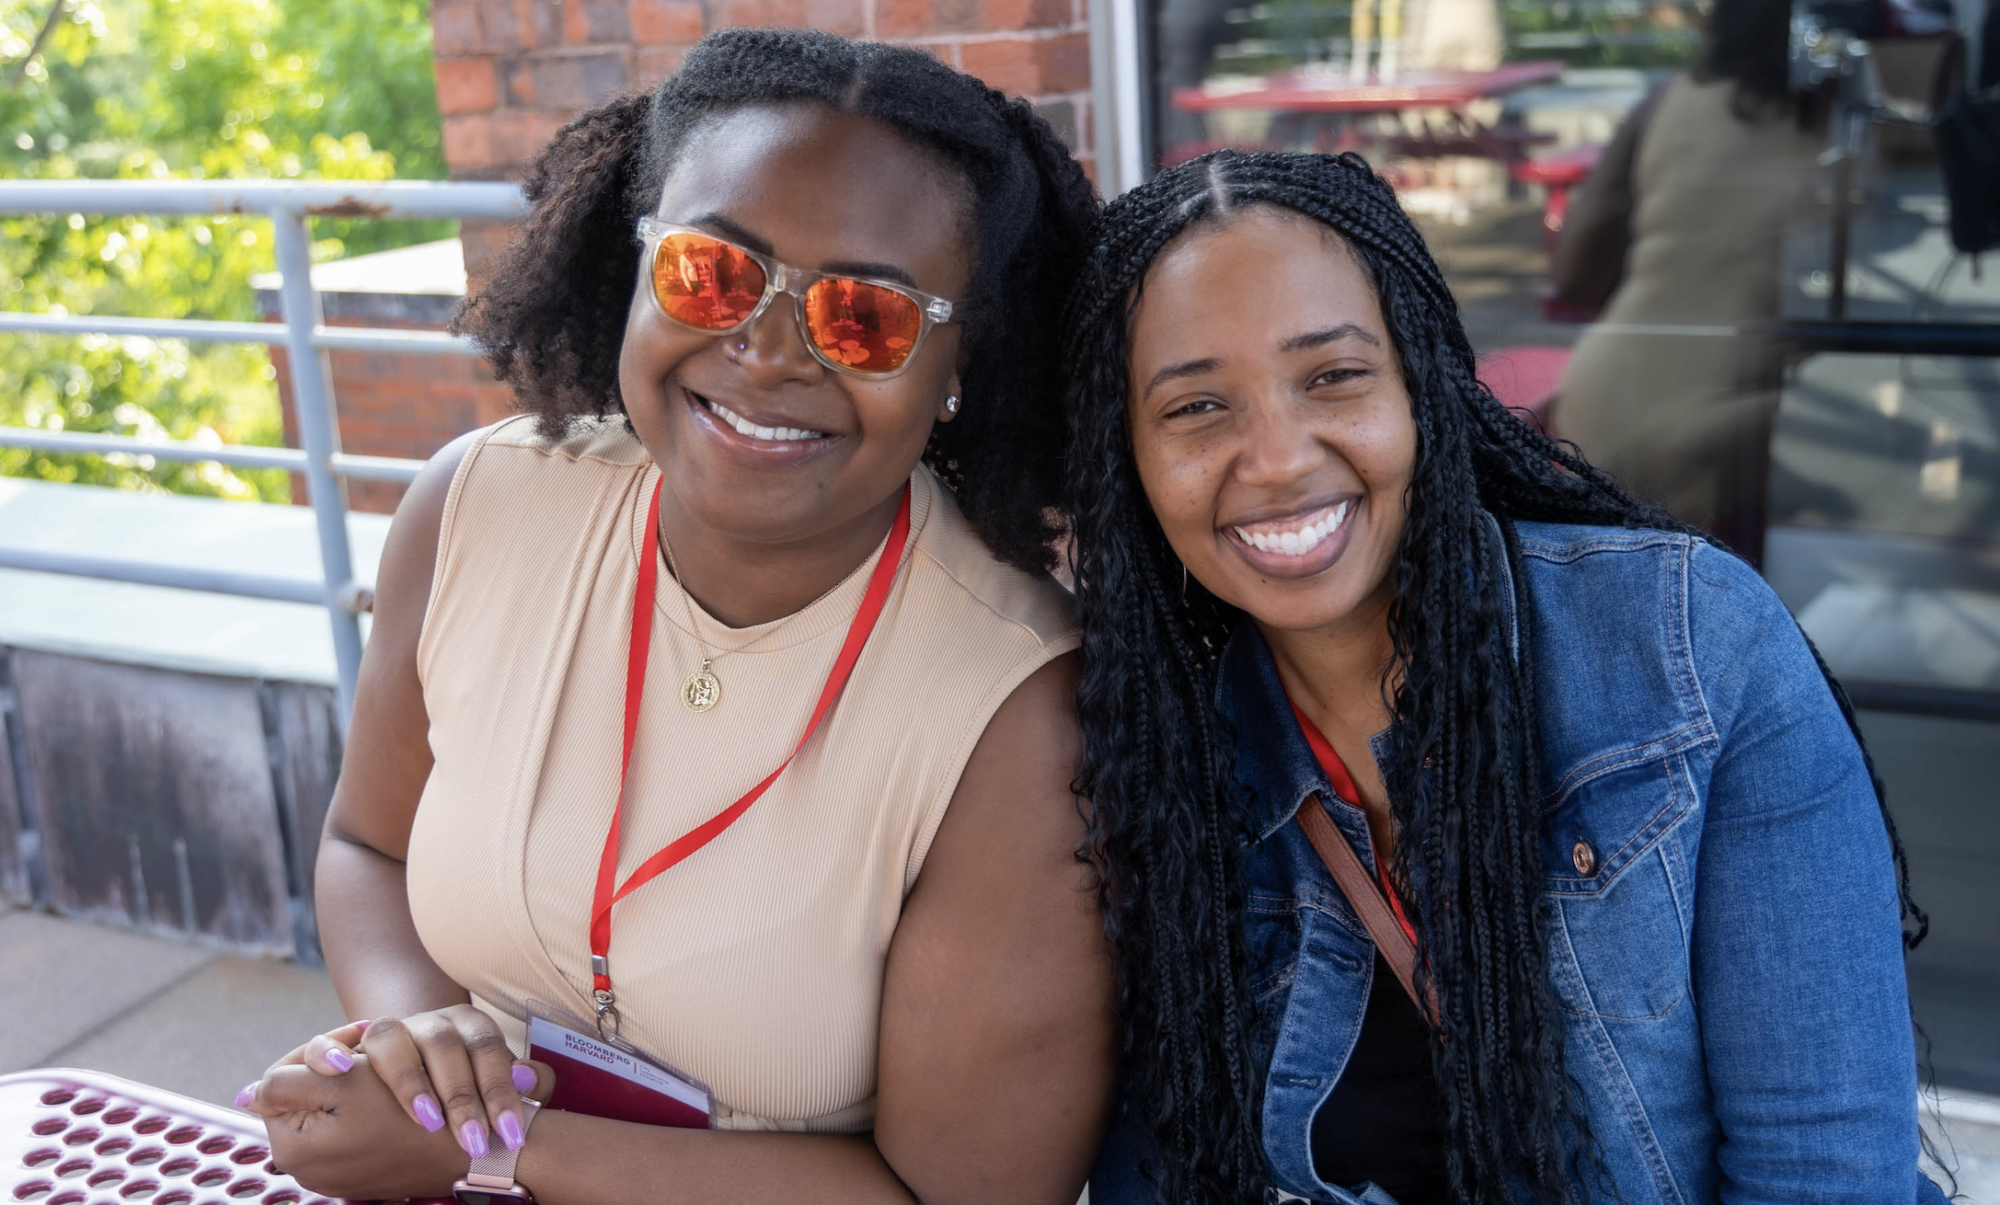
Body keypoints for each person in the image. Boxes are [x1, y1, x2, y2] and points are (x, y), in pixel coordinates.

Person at [238, 29, 1114, 1205]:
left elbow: (959, 1195)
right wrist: (420, 1050)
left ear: (957, 359)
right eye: (712, 272)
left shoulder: (1016, 709)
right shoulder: (474, 505)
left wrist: (494, 1143)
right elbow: (368, 845)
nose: (762, 349)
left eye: (863, 315)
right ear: (639, 260)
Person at [1066, 149, 1943, 1204]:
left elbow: (1824, 1175)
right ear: (1130, 459)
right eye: (1196, 407)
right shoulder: (1158, 744)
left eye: (1333, 375)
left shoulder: (1690, 652)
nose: (1277, 458)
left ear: (1421, 386)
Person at [1549, 0, 1830, 562]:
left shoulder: (1667, 102)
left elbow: (1575, 271)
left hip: (1611, 393)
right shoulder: (1828, 120)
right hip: (1724, 411)